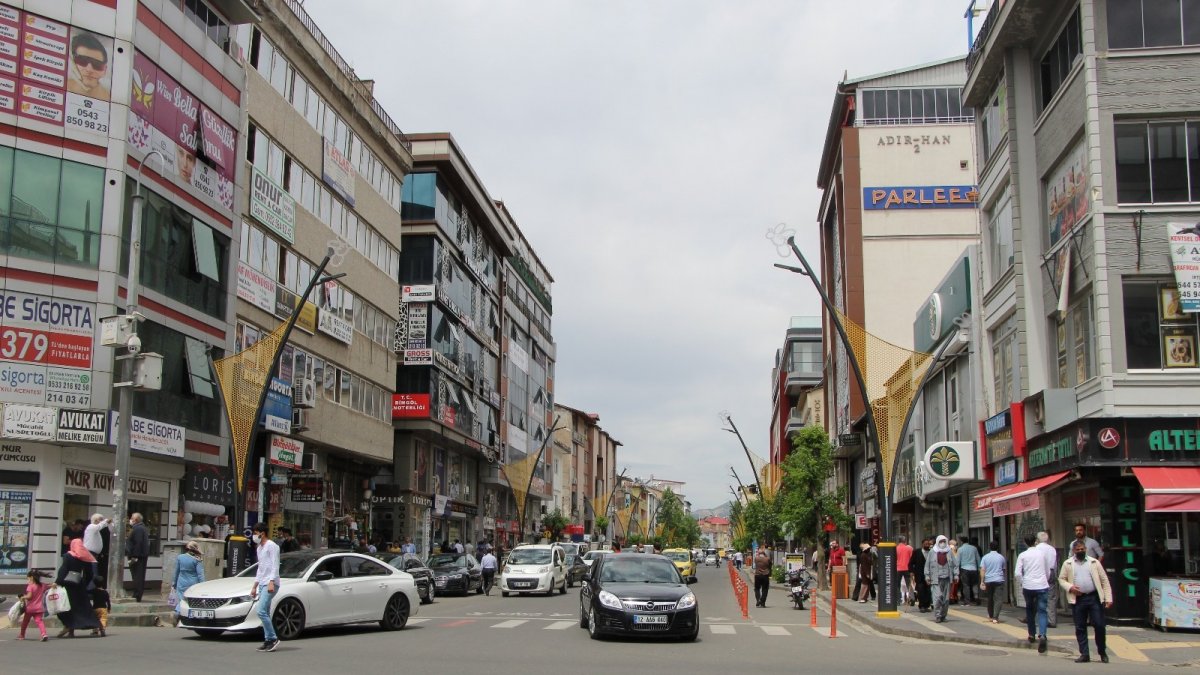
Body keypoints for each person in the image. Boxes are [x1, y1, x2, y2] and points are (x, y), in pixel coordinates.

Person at [1059, 539, 1113, 663]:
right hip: (1078, 599)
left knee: (1099, 625)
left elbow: (1104, 580)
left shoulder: (1094, 562)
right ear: (1073, 551)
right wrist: (1071, 587)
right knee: (1080, 627)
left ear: (1086, 549)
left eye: (1082, 549)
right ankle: (1084, 654)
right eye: (1078, 550)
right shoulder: (1068, 563)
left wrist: (1108, 598)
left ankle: (1102, 652)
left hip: (1094, 598)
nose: (1080, 551)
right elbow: (1061, 579)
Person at [56, 539, 100, 637]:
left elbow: (63, 569)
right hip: (79, 585)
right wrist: (84, 583)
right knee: (84, 607)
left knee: (68, 607)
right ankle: (95, 626)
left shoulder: (68, 556)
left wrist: (58, 582)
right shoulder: (85, 556)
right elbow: (90, 573)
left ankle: (69, 627)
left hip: (68, 585)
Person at [1016, 534, 1050, 654]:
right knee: (1042, 611)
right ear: (1035, 541)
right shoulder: (1042, 554)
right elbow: (1047, 570)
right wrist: (1045, 579)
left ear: (1025, 542)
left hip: (1028, 586)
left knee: (1030, 610)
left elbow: (1017, 573)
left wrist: (1022, 583)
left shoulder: (1022, 555)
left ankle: (1031, 634)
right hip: (1042, 585)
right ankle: (1043, 635)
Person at [250, 522, 281, 652]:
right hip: (262, 582)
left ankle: (273, 638)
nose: (254, 535)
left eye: (256, 533)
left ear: (262, 533)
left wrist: (271, 581)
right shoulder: (259, 548)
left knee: (260, 610)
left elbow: (275, 565)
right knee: (265, 612)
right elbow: (261, 568)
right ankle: (268, 640)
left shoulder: (272, 546)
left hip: (271, 582)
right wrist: (254, 586)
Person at [66, 31, 111, 100]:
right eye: (82, 61)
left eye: (97, 64)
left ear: (105, 70)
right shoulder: (60, 85)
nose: (89, 69)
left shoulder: (110, 98)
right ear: (72, 62)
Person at [924, 535, 958, 623]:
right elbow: (927, 565)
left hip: (947, 578)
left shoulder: (949, 552)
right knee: (938, 597)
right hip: (936, 579)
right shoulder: (932, 552)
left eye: (944, 541)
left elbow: (955, 564)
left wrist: (956, 575)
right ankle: (938, 615)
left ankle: (943, 615)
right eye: (941, 541)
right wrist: (927, 576)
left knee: (946, 599)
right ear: (937, 542)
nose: (942, 543)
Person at [172, 540, 206, 620]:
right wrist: (203, 585)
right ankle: (190, 617)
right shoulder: (197, 560)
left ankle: (177, 612)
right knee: (191, 601)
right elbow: (200, 575)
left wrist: (174, 583)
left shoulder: (180, 557)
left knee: (181, 600)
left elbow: (176, 572)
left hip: (181, 582)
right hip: (193, 584)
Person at [17, 569, 50, 641]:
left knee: (25, 622)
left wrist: (23, 597)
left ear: (32, 577)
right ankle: (44, 634)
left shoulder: (30, 586)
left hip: (30, 608)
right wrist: (54, 585)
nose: (28, 580)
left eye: (28, 578)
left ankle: (22, 635)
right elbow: (49, 586)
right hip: (39, 608)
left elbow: (29, 596)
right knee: (39, 621)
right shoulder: (42, 585)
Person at [979, 540, 1007, 623]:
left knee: (990, 598)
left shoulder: (985, 557)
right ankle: (996, 617)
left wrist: (982, 581)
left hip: (989, 580)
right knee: (998, 599)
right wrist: (1003, 577)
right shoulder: (1001, 557)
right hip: (999, 580)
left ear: (989, 547)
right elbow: (1003, 569)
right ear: (997, 547)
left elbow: (983, 570)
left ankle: (990, 615)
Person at [1036, 531, 1059, 628]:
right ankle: (1052, 620)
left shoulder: (1036, 549)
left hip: (1040, 573)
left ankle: (1041, 619)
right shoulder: (1052, 549)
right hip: (1052, 572)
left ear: (1037, 540)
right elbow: (1055, 563)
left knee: (1039, 597)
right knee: (1051, 597)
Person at [125, 512, 150, 602]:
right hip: (139, 555)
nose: (130, 520)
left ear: (135, 520)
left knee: (137, 576)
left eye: (131, 518)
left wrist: (134, 556)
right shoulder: (140, 528)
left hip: (138, 556)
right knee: (137, 575)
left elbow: (138, 543)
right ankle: (137, 594)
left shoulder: (138, 529)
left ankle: (137, 595)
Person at [957, 536, 981, 606]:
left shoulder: (960, 549)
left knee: (966, 585)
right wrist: (979, 568)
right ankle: (976, 598)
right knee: (975, 584)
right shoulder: (974, 548)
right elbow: (978, 559)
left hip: (964, 569)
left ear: (961, 542)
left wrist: (957, 570)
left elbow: (958, 561)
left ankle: (967, 600)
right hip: (973, 569)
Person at [911, 538, 932, 612]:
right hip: (919, 575)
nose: (927, 545)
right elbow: (911, 562)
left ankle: (927, 605)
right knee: (921, 590)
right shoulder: (917, 552)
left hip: (929, 575)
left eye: (928, 544)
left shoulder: (931, 552)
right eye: (926, 544)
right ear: (922, 544)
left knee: (928, 591)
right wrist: (911, 571)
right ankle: (922, 606)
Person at [896, 535, 914, 607]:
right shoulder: (909, 548)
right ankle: (912, 598)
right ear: (905, 541)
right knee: (909, 584)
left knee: (897, 585)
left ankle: (898, 600)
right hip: (907, 568)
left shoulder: (896, 548)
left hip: (898, 568)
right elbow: (911, 559)